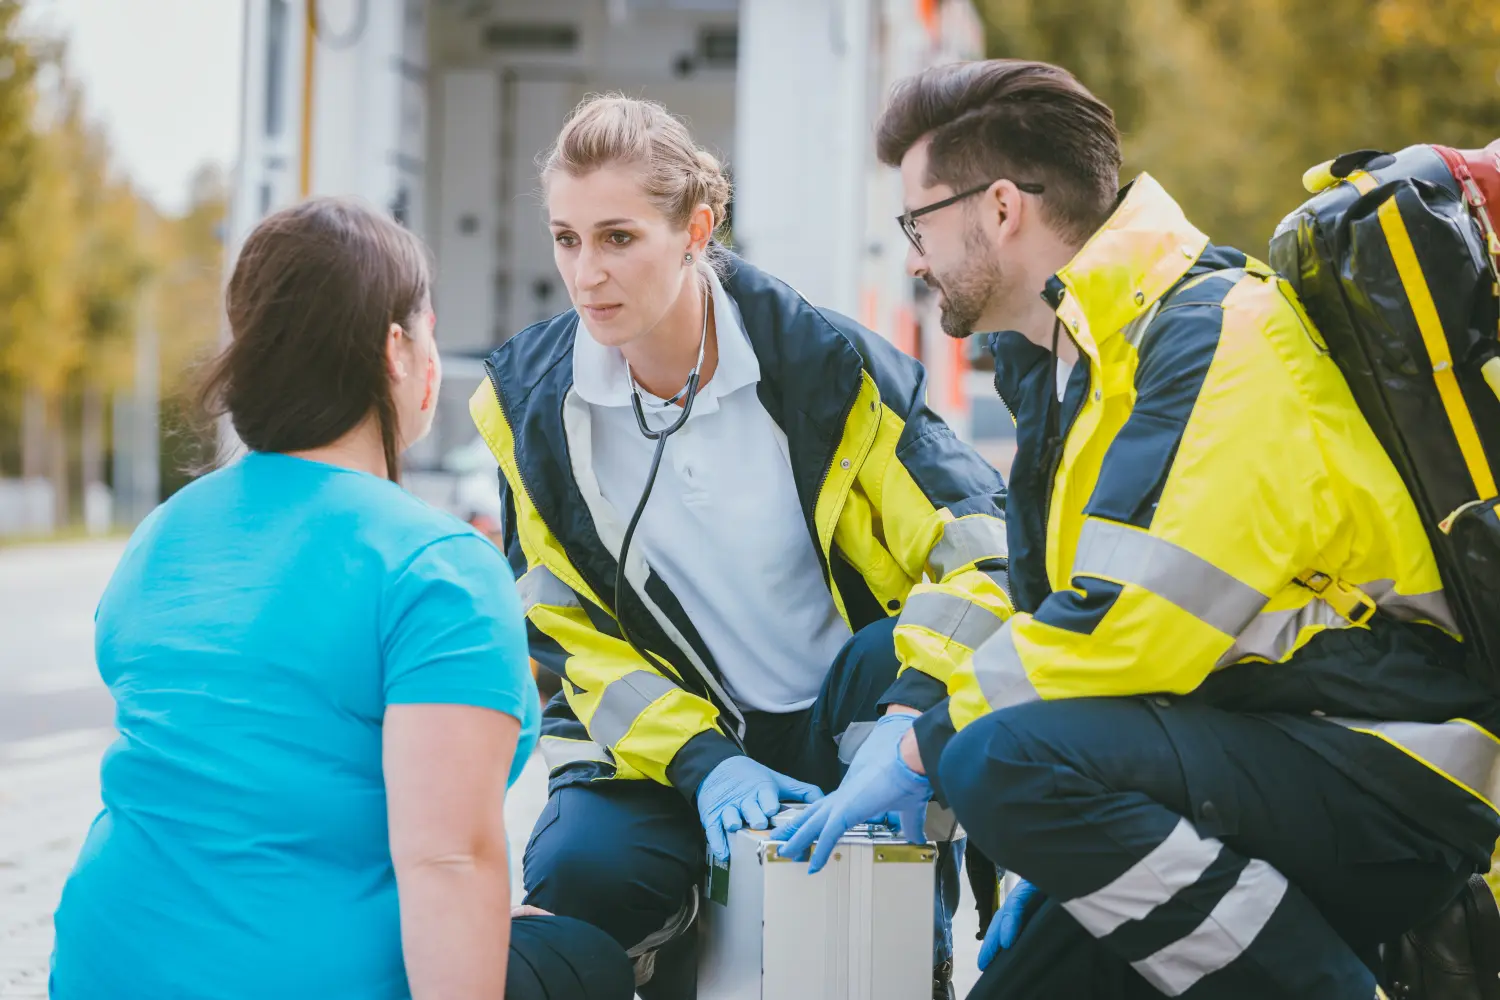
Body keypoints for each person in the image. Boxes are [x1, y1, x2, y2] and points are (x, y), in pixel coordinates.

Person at [776, 59, 1500, 1000]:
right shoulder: (1065, 361)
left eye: (918, 223)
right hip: (1265, 748)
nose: (911, 257)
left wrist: (925, 747)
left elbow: (1133, 622)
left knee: (998, 758)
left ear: (1000, 208)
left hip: (1392, 771)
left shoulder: (1215, 335)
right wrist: (1053, 854)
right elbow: (1044, 606)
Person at [468, 94, 1009, 1000]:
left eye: (617, 238)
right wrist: (706, 765)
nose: (586, 274)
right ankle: (671, 961)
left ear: (695, 230)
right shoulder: (526, 406)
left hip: (846, 720)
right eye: (566, 239)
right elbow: (560, 627)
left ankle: (908, 955)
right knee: (579, 870)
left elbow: (987, 549)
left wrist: (913, 721)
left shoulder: (828, 366)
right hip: (673, 743)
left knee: (890, 660)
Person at [48, 198, 634, 1000]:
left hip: (105, 966)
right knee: (585, 963)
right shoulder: (436, 563)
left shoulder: (163, 533)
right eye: (428, 329)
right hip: (302, 975)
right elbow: (448, 860)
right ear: (397, 349)